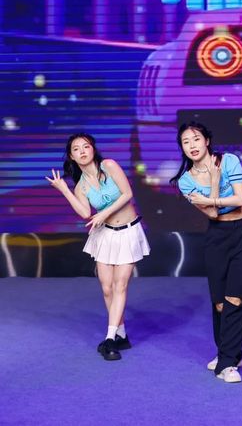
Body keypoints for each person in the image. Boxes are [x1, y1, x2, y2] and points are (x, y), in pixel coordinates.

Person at [46, 133, 150, 361]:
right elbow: (85, 213)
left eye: (86, 146)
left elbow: (128, 194)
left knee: (120, 284)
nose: (82, 151)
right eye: (76, 149)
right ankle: (121, 333)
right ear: (72, 156)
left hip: (128, 232)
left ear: (93, 149)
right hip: (104, 235)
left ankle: (110, 338)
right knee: (107, 288)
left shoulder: (109, 166)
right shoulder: (81, 187)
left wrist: (103, 213)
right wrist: (64, 189)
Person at [171, 121, 242, 383]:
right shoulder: (185, 181)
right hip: (217, 237)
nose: (192, 145)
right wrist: (213, 183)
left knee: (236, 298)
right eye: (186, 142)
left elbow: (241, 199)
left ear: (207, 140)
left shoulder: (229, 161)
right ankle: (228, 352)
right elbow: (211, 213)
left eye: (196, 139)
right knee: (220, 302)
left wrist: (211, 197)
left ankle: (228, 363)